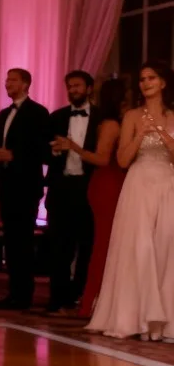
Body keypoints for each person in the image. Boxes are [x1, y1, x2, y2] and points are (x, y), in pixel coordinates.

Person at [86, 62, 174, 341]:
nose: (145, 83)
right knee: (140, 248)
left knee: (166, 248)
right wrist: (140, 135)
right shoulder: (132, 116)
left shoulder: (173, 116)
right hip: (138, 184)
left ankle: (164, 323)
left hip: (168, 184)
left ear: (163, 83)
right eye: (142, 79)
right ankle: (135, 319)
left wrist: (165, 137)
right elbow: (123, 160)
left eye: (151, 78)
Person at [0, 68, 51, 310]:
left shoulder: (38, 113)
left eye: (13, 80)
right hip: (6, 184)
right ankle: (13, 293)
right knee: (11, 240)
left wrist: (14, 155)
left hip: (26, 185)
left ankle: (24, 294)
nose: (7, 83)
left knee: (23, 240)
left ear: (25, 84)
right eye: (7, 79)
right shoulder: (4, 114)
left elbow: (42, 150)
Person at [69, 79, 127, 318]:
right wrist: (74, 147)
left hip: (113, 183)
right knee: (104, 243)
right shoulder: (111, 124)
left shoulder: (114, 122)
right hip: (107, 184)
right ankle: (91, 301)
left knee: (110, 243)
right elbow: (102, 159)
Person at [45, 70, 101, 312]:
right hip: (61, 186)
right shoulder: (56, 117)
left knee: (87, 243)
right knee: (59, 245)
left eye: (77, 85)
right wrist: (54, 150)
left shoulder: (102, 118)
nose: (73, 90)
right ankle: (57, 298)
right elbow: (41, 151)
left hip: (89, 187)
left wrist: (75, 147)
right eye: (69, 86)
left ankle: (80, 294)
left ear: (89, 88)